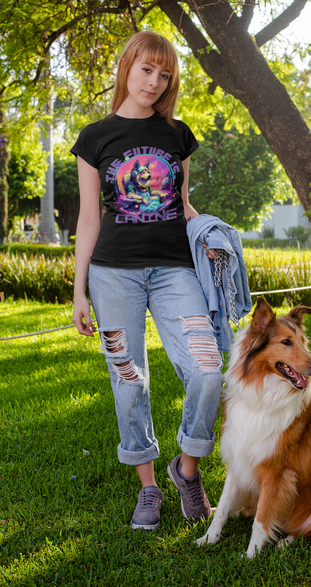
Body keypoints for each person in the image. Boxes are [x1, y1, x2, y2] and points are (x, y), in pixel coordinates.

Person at [71, 31, 223, 531]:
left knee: (207, 369)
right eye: (146, 70)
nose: (154, 82)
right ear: (126, 67)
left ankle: (187, 468)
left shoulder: (177, 135)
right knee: (129, 382)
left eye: (164, 75)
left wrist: (210, 237)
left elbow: (180, 204)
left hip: (174, 271)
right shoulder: (94, 139)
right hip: (112, 276)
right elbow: (89, 219)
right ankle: (149, 487)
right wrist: (79, 293)